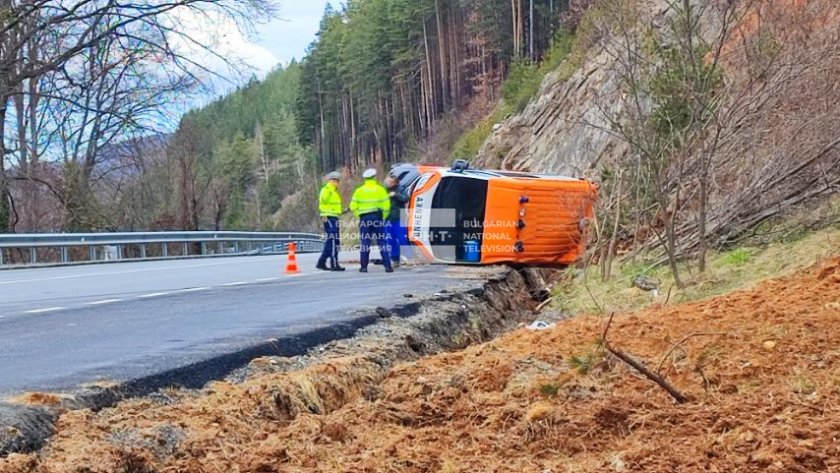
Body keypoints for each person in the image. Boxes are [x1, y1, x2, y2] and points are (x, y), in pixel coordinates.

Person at [350, 168, 393, 273]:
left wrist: (359, 215)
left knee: (365, 242)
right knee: (382, 242)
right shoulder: (380, 189)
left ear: (365, 179)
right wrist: (383, 217)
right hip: (377, 217)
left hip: (364, 218)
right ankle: (388, 266)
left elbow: (352, 206)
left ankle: (364, 267)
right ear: (374, 177)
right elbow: (387, 206)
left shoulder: (359, 191)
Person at [316, 171, 345, 271]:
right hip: (328, 217)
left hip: (334, 216)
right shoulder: (327, 190)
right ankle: (334, 263)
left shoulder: (334, 192)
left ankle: (322, 261)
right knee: (333, 240)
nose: (338, 183)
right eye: (336, 181)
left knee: (332, 241)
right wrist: (331, 188)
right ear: (332, 181)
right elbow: (323, 200)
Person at [385, 171, 410, 267]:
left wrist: (395, 195)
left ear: (395, 182)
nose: (389, 184)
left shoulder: (400, 189)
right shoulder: (385, 191)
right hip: (388, 218)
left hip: (399, 217)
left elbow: (405, 198)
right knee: (390, 240)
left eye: (391, 182)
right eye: (388, 182)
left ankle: (407, 257)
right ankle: (395, 258)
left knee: (401, 238)